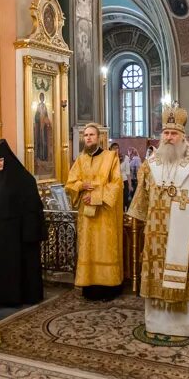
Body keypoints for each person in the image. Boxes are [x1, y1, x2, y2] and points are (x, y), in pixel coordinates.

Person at [128, 105, 189, 337]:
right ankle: (157, 325)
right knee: (157, 274)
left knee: (184, 276)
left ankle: (186, 326)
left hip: (184, 233)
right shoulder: (151, 164)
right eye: (166, 133)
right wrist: (137, 221)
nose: (169, 138)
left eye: (173, 133)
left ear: (182, 137)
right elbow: (142, 195)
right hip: (156, 232)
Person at [65, 124, 125, 301]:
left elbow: (117, 185)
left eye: (91, 135)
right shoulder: (80, 159)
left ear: (99, 138)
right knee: (89, 249)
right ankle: (89, 287)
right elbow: (70, 183)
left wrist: (96, 197)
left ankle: (109, 289)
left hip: (105, 214)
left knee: (105, 248)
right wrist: (81, 186)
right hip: (86, 215)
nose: (88, 138)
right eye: (86, 135)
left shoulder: (110, 157)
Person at [0, 139, 45, 307]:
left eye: (1, 160)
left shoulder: (24, 179)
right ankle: (0, 297)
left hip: (18, 233)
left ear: (8, 159)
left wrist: (29, 232)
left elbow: (32, 207)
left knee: (19, 267)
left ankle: (21, 296)